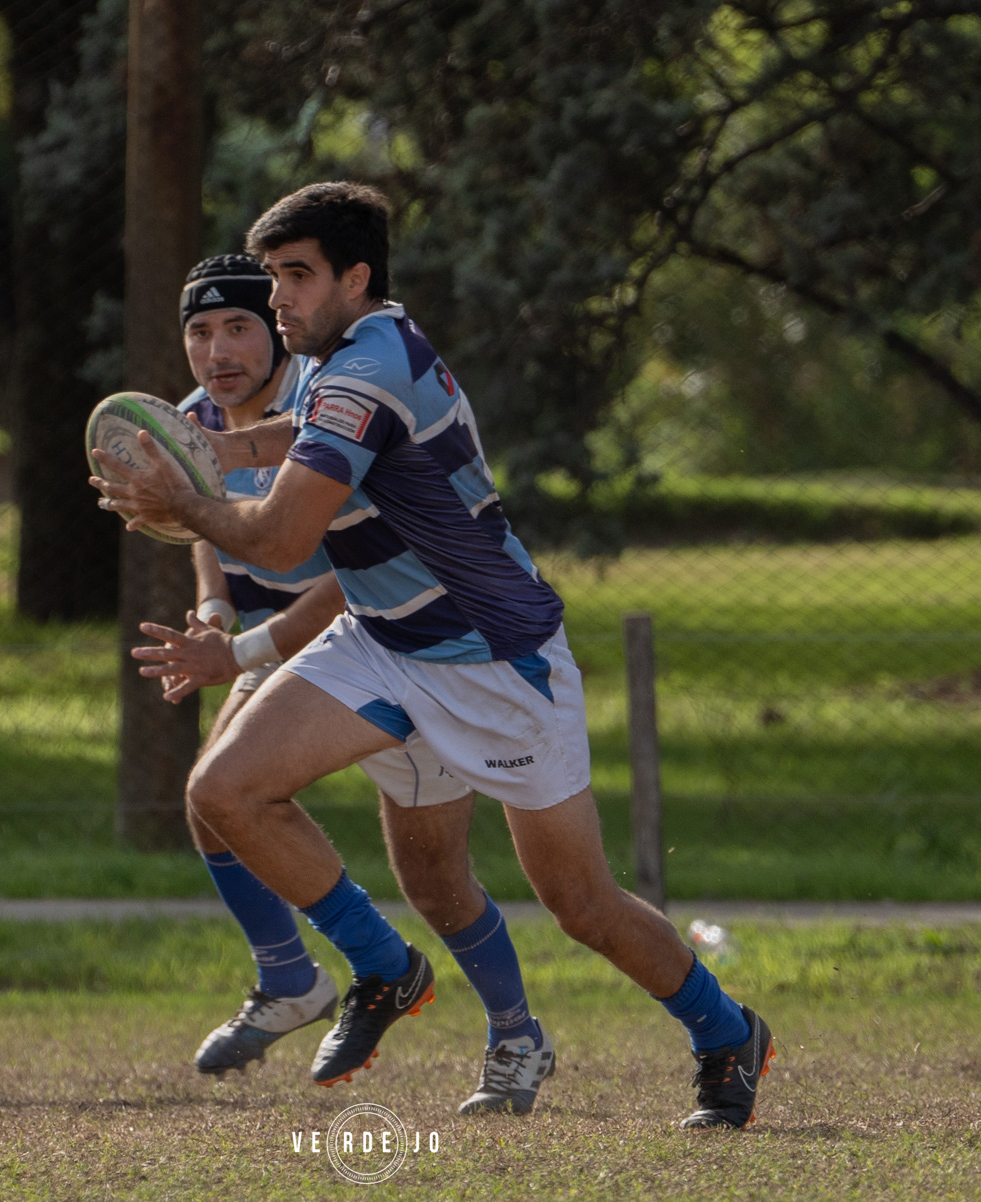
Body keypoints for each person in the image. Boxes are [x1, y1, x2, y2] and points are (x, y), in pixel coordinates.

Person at [92, 182, 774, 1130]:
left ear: (355, 278)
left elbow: (284, 539)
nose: (277, 297)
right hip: (382, 639)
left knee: (582, 904)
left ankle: (726, 1031)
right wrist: (222, 449)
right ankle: (383, 966)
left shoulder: (366, 372)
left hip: (495, 660)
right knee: (225, 791)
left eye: (296, 276)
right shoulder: (346, 356)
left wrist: (186, 503)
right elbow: (306, 431)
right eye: (275, 276)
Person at [128, 255, 556, 1114]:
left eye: (240, 326)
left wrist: (244, 652)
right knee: (216, 796)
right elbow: (207, 531)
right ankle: (300, 977)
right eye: (199, 331)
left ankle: (516, 1034)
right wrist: (215, 615)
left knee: (435, 878)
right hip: (280, 648)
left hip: (386, 637)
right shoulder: (191, 422)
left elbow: (351, 578)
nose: (218, 350)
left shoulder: (331, 405)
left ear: (278, 329)